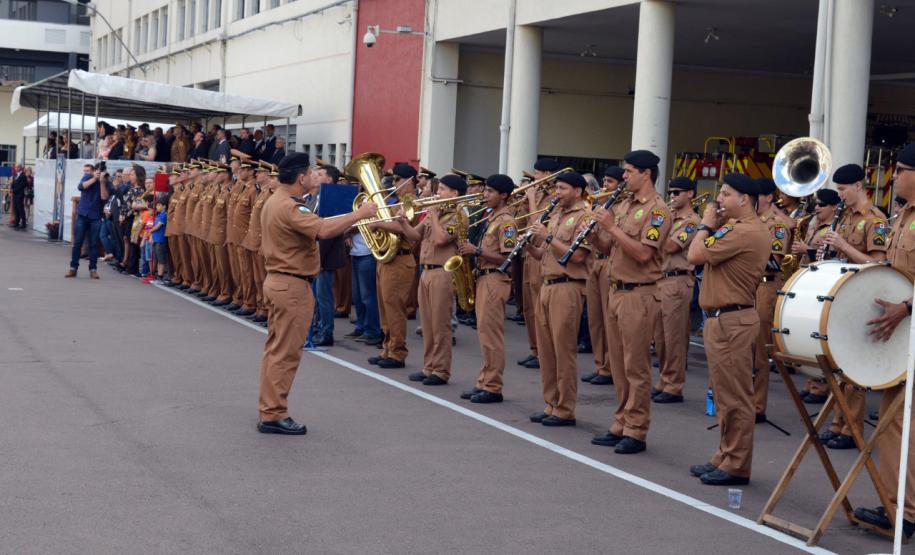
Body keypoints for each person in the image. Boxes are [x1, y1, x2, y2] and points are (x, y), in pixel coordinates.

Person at [256, 152, 377, 435]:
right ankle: (274, 414)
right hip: (292, 286)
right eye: (311, 173)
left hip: (281, 282)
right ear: (301, 178)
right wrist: (359, 214)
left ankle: (269, 408)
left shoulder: (277, 201)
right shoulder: (290, 207)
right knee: (286, 353)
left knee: (276, 351)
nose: (314, 177)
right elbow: (322, 230)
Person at [686, 173, 769, 486]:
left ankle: (736, 464)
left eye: (725, 194)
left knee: (735, 398)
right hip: (721, 319)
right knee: (724, 396)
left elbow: (694, 255)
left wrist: (706, 224)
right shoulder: (735, 228)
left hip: (732, 321)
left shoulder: (744, 231)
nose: (718, 200)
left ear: (744, 199)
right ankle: (725, 455)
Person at [588, 150, 671, 453]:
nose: (623, 177)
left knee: (636, 366)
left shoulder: (658, 210)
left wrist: (611, 227)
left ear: (646, 174)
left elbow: (643, 253)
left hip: (640, 293)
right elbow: (610, 247)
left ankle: (636, 429)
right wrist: (595, 234)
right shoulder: (624, 205)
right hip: (616, 290)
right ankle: (621, 420)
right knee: (619, 366)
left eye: (628, 172)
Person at [856, 143, 915, 539]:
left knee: (899, 422)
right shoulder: (903, 216)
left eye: (900, 170)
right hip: (902, 339)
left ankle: (902, 513)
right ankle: (901, 507)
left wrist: (907, 307)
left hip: (910, 329)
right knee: (899, 422)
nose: (892, 176)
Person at [527, 171, 592, 427]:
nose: (557, 193)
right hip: (548, 284)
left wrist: (549, 237)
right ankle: (551, 402)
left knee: (563, 349)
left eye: (562, 188)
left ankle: (566, 408)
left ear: (577, 191)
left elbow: (577, 257)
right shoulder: (556, 216)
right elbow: (545, 252)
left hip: (568, 287)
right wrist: (532, 246)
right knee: (546, 349)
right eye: (556, 188)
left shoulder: (584, 217)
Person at [456, 174, 517, 403]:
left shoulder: (506, 222)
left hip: (495, 279)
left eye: (490, 191)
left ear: (503, 195)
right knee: (484, 333)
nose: (485, 195)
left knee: (491, 335)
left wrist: (477, 251)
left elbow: (508, 258)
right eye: (486, 191)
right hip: (484, 278)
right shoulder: (490, 217)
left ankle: (493, 386)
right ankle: (484, 381)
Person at [401, 174, 465, 386]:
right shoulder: (433, 214)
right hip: (426, 271)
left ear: (455, 194)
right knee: (427, 324)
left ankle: (441, 370)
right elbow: (414, 236)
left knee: (440, 325)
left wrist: (434, 216)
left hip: (442, 273)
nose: (438, 193)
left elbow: (440, 240)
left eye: (443, 190)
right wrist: (402, 221)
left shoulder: (457, 215)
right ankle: (428, 367)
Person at [652, 176, 701, 403]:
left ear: (690, 194)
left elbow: (671, 246)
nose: (672, 196)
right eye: (670, 193)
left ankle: (674, 385)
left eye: (677, 192)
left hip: (678, 280)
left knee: (675, 337)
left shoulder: (691, 221)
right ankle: (664, 379)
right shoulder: (670, 217)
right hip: (661, 279)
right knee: (660, 337)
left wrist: (656, 230)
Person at [367, 163, 419, 369]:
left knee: (395, 308)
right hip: (387, 259)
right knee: (385, 307)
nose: (393, 183)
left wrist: (378, 224)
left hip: (401, 259)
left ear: (409, 181)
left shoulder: (411, 201)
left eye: (397, 179)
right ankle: (387, 348)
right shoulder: (395, 201)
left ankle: (398, 352)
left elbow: (401, 227)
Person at [752, 177, 793, 423]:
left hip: (765, 287)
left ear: (768, 197)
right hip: (746, 286)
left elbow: (775, 262)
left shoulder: (776, 225)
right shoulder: (748, 221)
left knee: (758, 349)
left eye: (756, 196)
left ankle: (757, 404)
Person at [581, 165, 624, 386]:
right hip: (594, 262)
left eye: (610, 182)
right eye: (604, 181)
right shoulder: (598, 206)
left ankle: (610, 366)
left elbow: (610, 246)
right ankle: (600, 365)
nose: (605, 186)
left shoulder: (621, 209)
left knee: (608, 319)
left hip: (609, 264)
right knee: (595, 318)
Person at [517, 158, 561, 370]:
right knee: (528, 306)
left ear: (547, 174)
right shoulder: (541, 194)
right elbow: (522, 222)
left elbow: (538, 223)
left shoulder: (555, 197)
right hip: (529, 252)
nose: (535, 179)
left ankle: (544, 352)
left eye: (538, 174)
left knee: (538, 307)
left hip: (542, 253)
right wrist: (525, 201)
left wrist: (532, 200)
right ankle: (535, 349)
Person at [66, 163, 110, 279]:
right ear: (94, 171)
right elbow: (81, 187)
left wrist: (101, 182)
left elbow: (104, 197)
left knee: (94, 244)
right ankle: (73, 268)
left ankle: (93, 269)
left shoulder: (105, 181)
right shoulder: (87, 177)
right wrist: (94, 178)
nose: (99, 173)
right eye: (97, 171)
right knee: (78, 242)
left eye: (101, 171)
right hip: (83, 214)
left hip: (95, 216)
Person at [151, 197, 169, 284]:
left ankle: (161, 277)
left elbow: (157, 227)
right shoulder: (158, 215)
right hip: (156, 240)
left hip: (161, 240)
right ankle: (158, 275)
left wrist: (149, 231)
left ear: (164, 206)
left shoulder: (164, 215)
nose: (157, 207)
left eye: (158, 205)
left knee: (161, 260)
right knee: (157, 259)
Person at [10, 165, 29, 229]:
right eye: (15, 167)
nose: (16, 168)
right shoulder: (16, 175)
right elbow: (13, 183)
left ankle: (23, 223)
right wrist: (12, 188)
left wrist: (15, 190)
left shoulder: (23, 176)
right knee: (16, 209)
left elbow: (22, 185)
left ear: (20, 168)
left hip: (20, 194)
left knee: (20, 209)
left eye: (17, 167)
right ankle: (16, 222)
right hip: (15, 194)